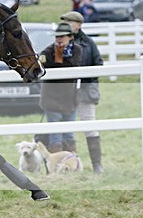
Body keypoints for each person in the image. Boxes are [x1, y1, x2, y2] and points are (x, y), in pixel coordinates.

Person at [61, 11, 104, 173]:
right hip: (66, 92)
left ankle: (97, 164)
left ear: (78, 25)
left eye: (69, 22)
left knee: (90, 126)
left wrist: (84, 76)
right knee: (66, 128)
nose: (66, 25)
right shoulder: (60, 41)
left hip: (85, 91)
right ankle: (69, 164)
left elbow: (98, 64)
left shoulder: (89, 43)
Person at [38, 22, 82, 153]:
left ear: (70, 37)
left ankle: (70, 162)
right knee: (55, 135)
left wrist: (60, 56)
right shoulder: (48, 51)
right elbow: (42, 65)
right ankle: (56, 165)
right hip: (52, 99)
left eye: (62, 36)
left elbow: (74, 66)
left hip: (70, 98)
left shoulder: (77, 49)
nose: (59, 39)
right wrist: (57, 55)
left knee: (69, 134)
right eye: (57, 36)